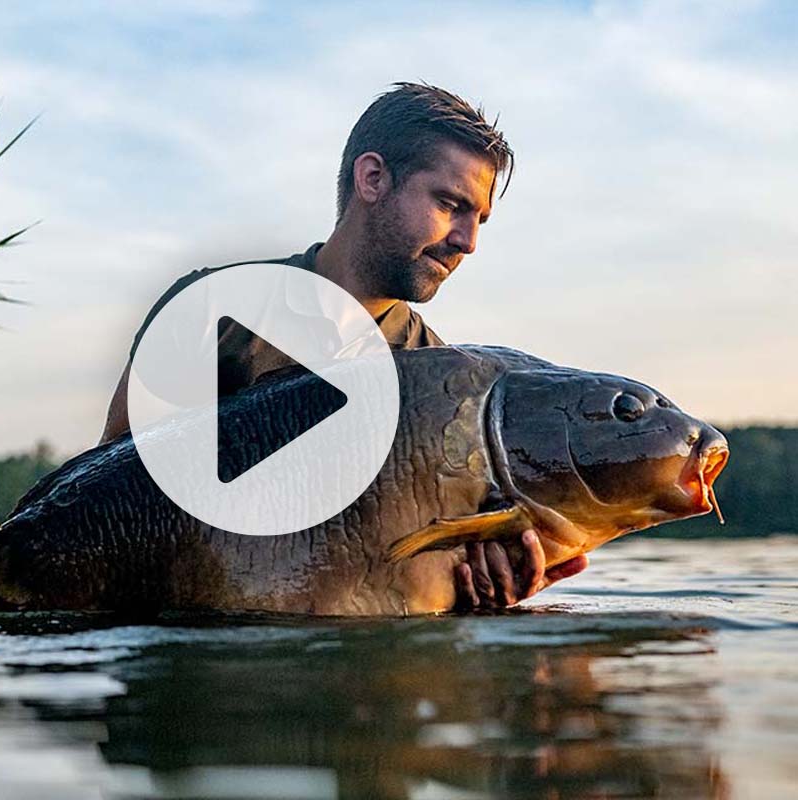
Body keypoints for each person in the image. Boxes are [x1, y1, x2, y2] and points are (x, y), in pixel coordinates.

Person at [99, 82, 588, 609]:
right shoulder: (211, 313)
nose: (468, 241)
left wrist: (479, 594)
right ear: (373, 178)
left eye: (480, 219)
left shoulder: (440, 384)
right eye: (450, 204)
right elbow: (98, 502)